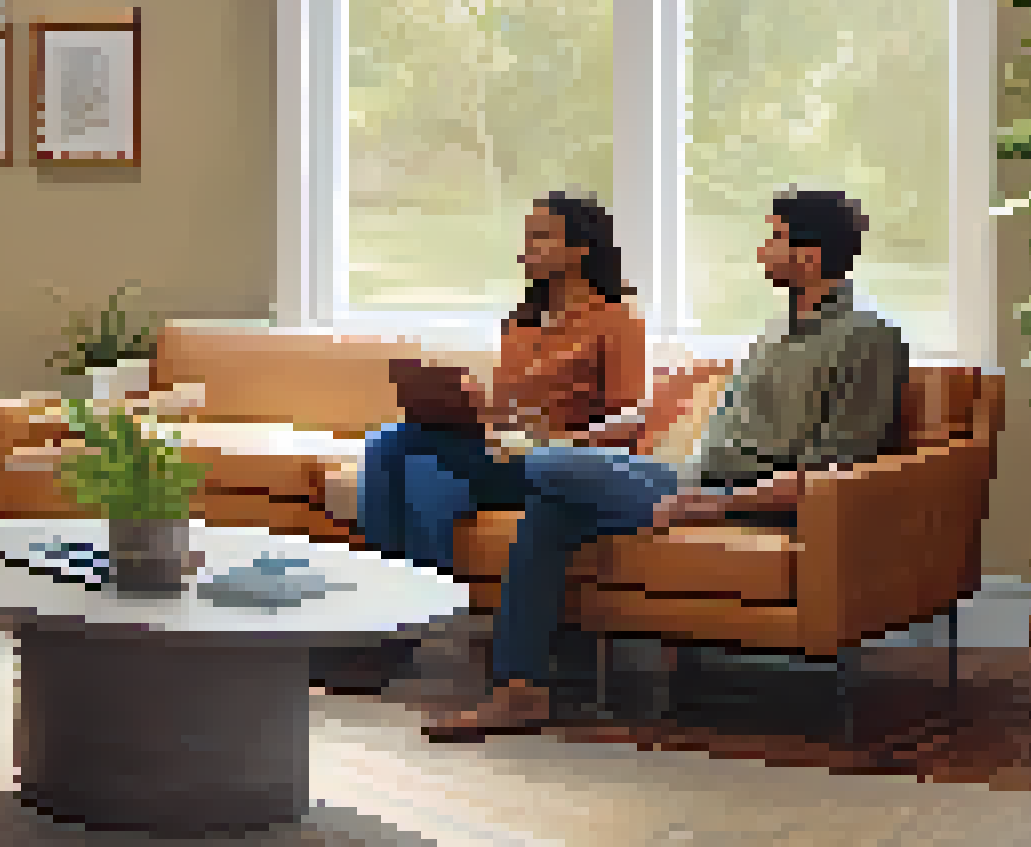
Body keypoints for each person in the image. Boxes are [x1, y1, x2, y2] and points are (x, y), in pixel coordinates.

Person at [419, 187, 911, 741]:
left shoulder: (869, 336)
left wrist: (716, 504)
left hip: (750, 502)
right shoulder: (776, 330)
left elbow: (834, 469)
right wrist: (684, 480)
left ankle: (514, 669)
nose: (761, 250)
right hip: (693, 481)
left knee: (552, 470)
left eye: (773, 236)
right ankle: (520, 692)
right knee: (550, 503)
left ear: (810, 255)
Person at [356, 191, 653, 577]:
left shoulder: (617, 319)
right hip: (502, 455)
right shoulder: (521, 322)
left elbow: (628, 421)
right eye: (527, 236)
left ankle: (399, 598)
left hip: (555, 462)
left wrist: (554, 440)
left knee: (390, 442)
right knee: (423, 480)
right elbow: (511, 408)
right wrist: (475, 407)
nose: (526, 248)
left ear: (580, 249)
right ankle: (417, 609)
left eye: (541, 237)